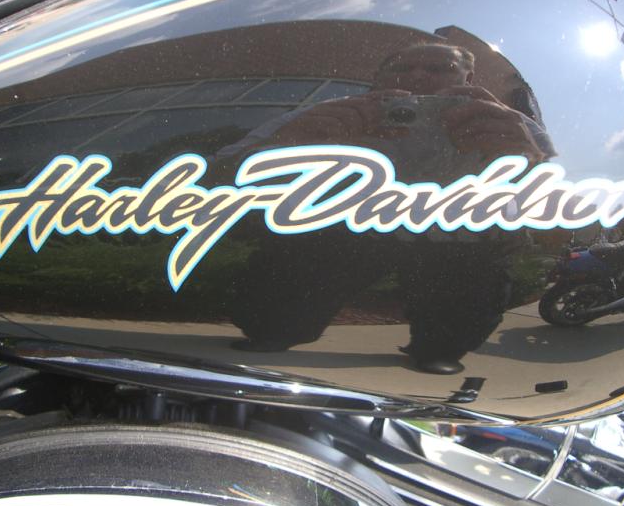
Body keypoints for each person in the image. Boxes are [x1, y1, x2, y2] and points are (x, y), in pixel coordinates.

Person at [222, 42, 552, 374]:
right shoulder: (334, 112)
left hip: (458, 239)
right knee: (271, 316)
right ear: (378, 79)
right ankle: (274, 328)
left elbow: (551, 196)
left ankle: (440, 347)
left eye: (439, 69)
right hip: (348, 230)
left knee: (455, 325)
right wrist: (288, 142)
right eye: (402, 68)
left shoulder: (509, 122)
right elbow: (220, 171)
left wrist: (525, 157)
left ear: (468, 80)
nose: (418, 76)